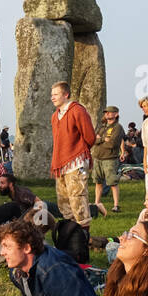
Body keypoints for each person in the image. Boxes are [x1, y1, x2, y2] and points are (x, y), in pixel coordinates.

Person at [49, 82, 96, 231]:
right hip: (61, 163)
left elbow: (90, 137)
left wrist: (79, 150)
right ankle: (71, 235)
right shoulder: (55, 116)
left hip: (76, 162)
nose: (52, 98)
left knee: (78, 199)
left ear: (66, 94)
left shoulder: (77, 111)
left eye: (56, 94)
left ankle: (83, 238)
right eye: (52, 95)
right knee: (64, 201)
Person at [90, 105, 124, 213]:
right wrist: (104, 139)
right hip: (98, 158)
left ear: (116, 114)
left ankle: (116, 205)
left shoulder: (118, 127)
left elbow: (112, 144)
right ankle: (97, 203)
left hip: (110, 158)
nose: (107, 114)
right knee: (98, 182)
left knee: (113, 182)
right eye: (106, 112)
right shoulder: (102, 127)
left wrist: (100, 141)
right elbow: (93, 140)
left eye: (110, 112)